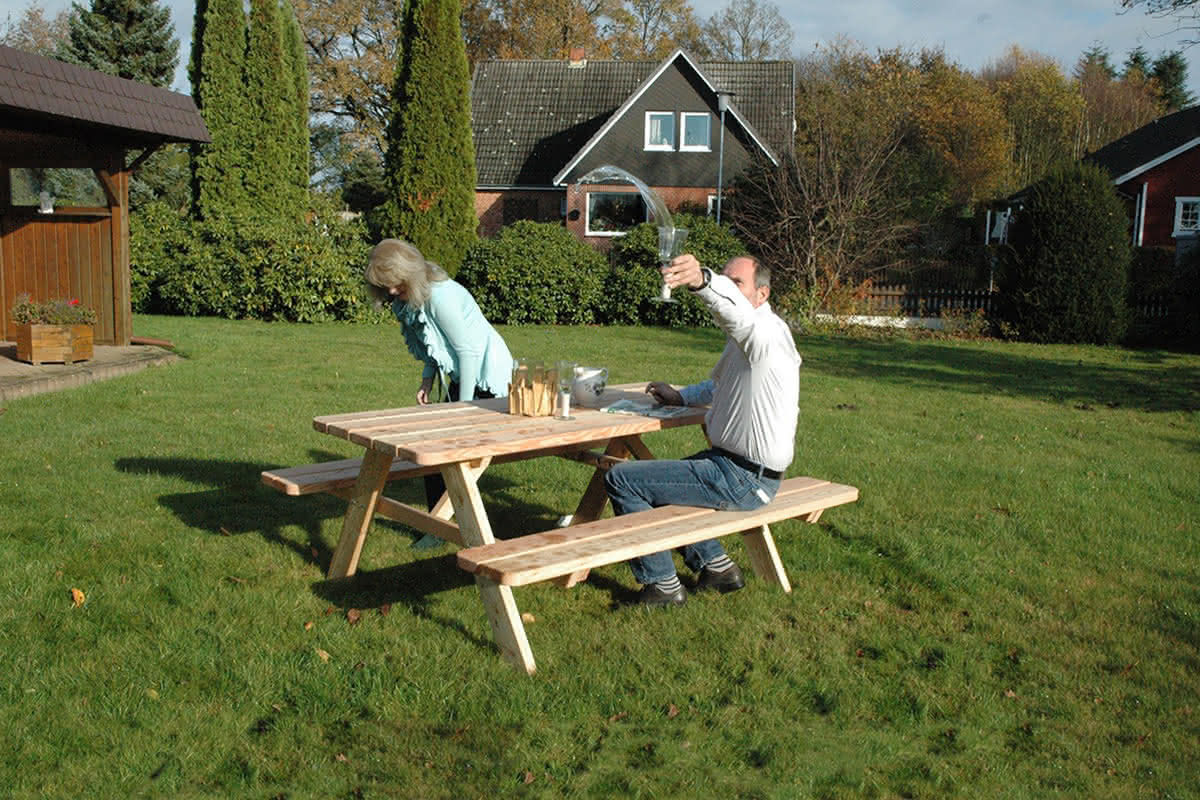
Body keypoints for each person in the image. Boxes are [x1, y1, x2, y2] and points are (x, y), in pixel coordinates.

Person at [603, 253, 801, 606]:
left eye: (736, 283)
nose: (729, 288)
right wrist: (680, 396)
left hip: (743, 478)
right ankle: (717, 566)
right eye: (725, 280)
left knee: (622, 479)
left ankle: (661, 586)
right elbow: (716, 386)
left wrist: (702, 281)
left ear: (762, 295)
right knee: (663, 484)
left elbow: (735, 313)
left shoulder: (764, 335)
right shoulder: (749, 343)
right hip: (742, 470)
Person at [364, 238, 513, 525]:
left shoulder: (441, 297)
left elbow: (468, 353)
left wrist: (463, 408)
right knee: (436, 452)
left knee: (450, 453)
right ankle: (440, 523)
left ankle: (446, 526)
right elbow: (435, 343)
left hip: (489, 378)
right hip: (466, 375)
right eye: (386, 286)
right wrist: (427, 381)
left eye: (395, 283)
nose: (392, 291)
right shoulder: (417, 293)